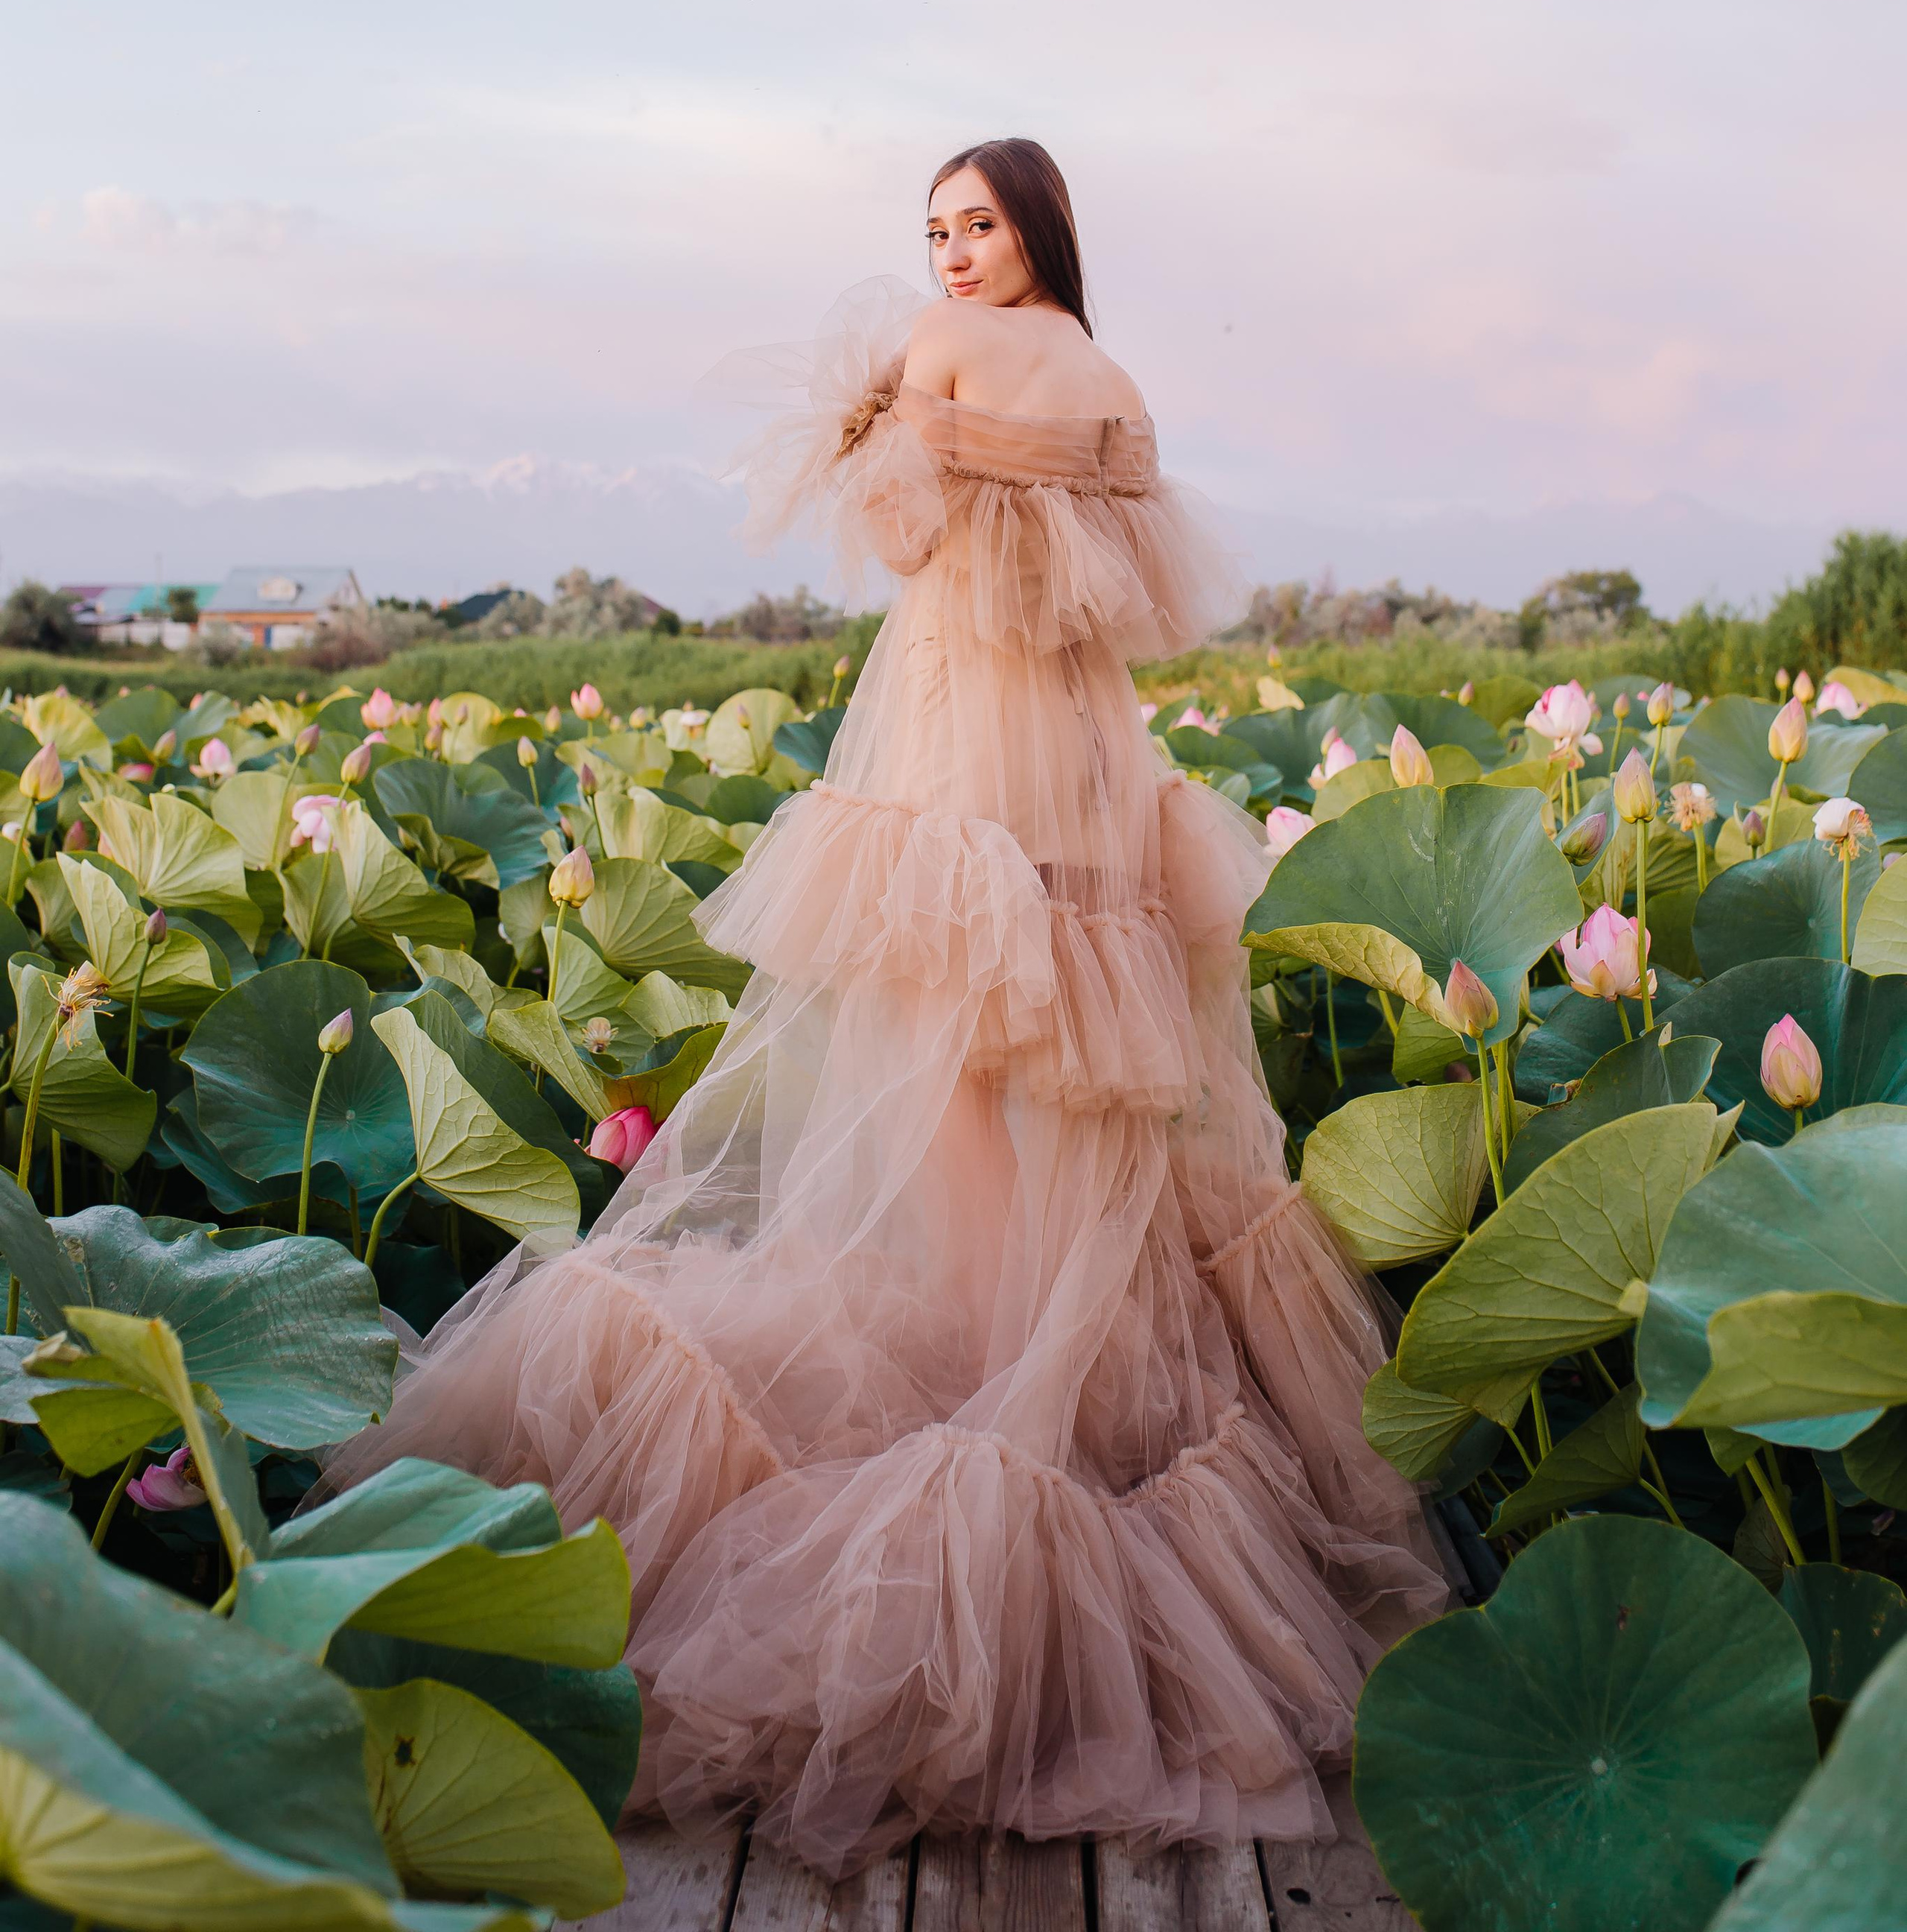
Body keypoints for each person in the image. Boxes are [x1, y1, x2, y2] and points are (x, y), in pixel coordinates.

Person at [329, 136, 1443, 1877]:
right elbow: (1131, 597)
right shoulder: (1110, 382)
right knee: (1084, 1078)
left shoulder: (935, 355)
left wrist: (873, 433)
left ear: (1032, 225)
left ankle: (987, 1365)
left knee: (941, 1065)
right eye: (933, 231)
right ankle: (1043, 1351)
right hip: (1087, 768)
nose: (949, 254)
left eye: (974, 223)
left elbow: (902, 535)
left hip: (960, 758)